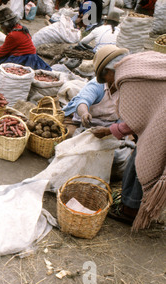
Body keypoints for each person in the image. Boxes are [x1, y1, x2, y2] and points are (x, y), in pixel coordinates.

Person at [89, 47, 166, 231]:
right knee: (139, 157)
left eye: (104, 78)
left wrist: (109, 130)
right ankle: (136, 205)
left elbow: (138, 120)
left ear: (109, 70)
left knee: (147, 160)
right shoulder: (139, 62)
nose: (107, 84)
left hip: (161, 124)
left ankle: (131, 210)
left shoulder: (128, 78)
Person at [61, 45, 128, 135]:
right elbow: (83, 101)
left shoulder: (127, 86)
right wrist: (84, 113)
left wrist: (112, 130)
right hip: (83, 122)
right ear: (105, 73)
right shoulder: (97, 85)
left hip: (109, 125)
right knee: (70, 135)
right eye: (114, 71)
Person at [0, 7, 52, 78]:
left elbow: (3, 51)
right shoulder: (21, 28)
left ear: (6, 25)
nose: (2, 28)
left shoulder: (13, 35)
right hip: (31, 57)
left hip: (24, 59)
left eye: (2, 26)